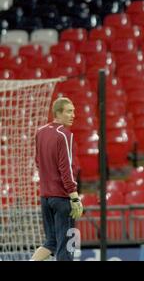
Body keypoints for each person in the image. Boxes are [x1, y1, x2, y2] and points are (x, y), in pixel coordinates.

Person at [31, 97, 83, 261]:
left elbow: (38, 162)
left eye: (73, 111)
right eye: (69, 111)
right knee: (65, 248)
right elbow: (66, 167)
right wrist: (74, 196)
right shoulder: (64, 134)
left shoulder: (40, 132)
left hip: (45, 197)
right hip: (61, 198)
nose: (73, 115)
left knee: (51, 242)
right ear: (57, 113)